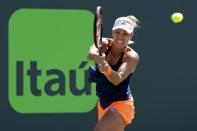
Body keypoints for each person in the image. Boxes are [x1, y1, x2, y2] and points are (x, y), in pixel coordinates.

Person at [87, 15, 140, 131]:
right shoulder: (104, 44)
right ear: (112, 32)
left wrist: (105, 68)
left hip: (121, 104)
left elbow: (117, 79)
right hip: (103, 104)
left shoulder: (131, 56)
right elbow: (90, 53)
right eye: (117, 32)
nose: (120, 36)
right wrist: (97, 56)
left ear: (131, 35)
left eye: (125, 33)